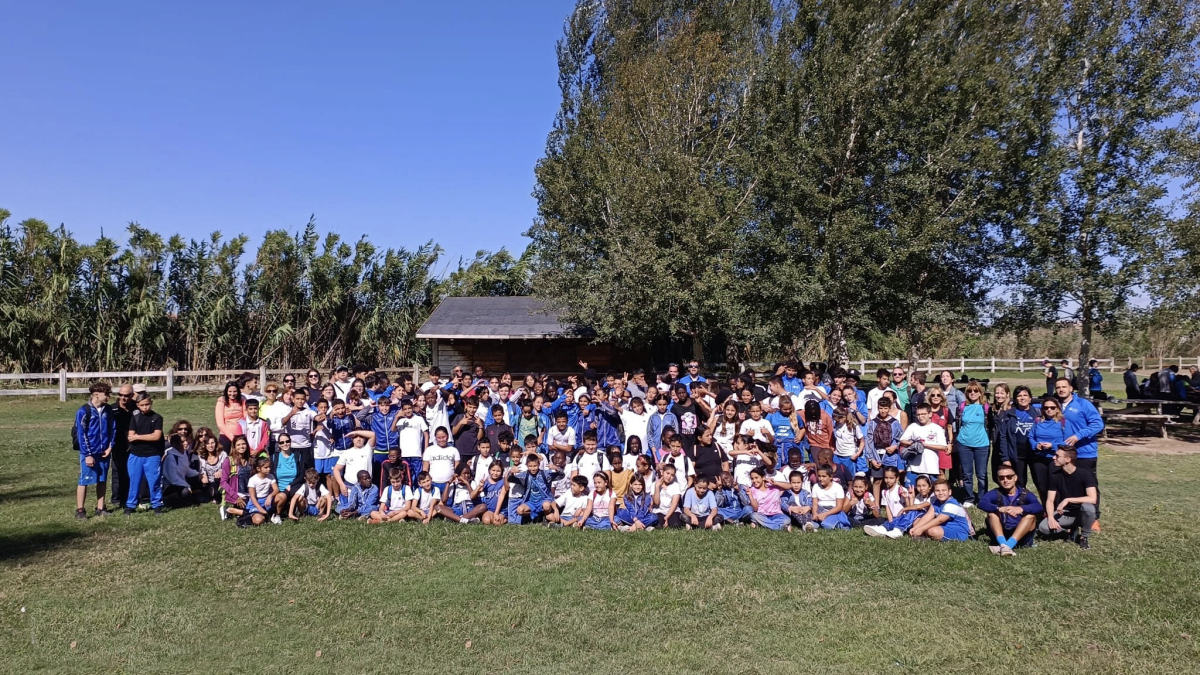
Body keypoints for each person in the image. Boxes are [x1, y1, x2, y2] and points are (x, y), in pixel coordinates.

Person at [1056, 376, 1105, 529]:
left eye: (1064, 386)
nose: (1061, 390)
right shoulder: (1055, 405)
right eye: (1058, 387)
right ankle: (1067, 513)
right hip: (1064, 455)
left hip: (1084, 452)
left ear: (1071, 388)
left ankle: (1093, 517)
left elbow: (1098, 424)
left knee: (1088, 484)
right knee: (1064, 484)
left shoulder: (1083, 404)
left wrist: (1079, 435)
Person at [1037, 447, 1098, 550]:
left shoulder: (1085, 474)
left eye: (1057, 456)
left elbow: (1092, 499)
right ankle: (1070, 530)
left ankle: (1084, 537)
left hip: (1081, 512)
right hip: (1065, 513)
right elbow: (1050, 500)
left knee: (1088, 508)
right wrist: (1051, 517)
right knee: (1043, 528)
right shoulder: (1055, 476)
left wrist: (1068, 499)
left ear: (1068, 459)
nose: (1053, 458)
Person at [978, 463, 1043, 556]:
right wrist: (999, 508)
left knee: (1030, 516)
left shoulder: (1024, 493)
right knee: (992, 514)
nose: (1005, 480)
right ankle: (1004, 544)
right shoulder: (995, 493)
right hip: (1002, 533)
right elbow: (982, 503)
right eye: (1001, 478)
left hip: (1022, 535)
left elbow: (1039, 507)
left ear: (1015, 478)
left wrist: (1021, 508)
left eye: (1009, 477)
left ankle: (1007, 546)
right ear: (998, 479)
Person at [75, 382, 115, 519]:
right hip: (90, 452)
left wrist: (110, 446)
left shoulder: (108, 410)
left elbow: (112, 429)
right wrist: (88, 454)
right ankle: (80, 510)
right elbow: (82, 434)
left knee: (102, 479)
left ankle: (100, 507)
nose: (109, 397)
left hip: (104, 451)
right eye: (106, 394)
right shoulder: (84, 411)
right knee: (84, 480)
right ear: (96, 395)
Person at [125, 392, 166, 515]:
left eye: (147, 404)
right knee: (134, 480)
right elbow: (130, 436)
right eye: (142, 405)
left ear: (151, 403)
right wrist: (140, 437)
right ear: (137, 405)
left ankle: (157, 504)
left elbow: (156, 436)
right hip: (135, 455)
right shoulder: (135, 418)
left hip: (152, 455)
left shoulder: (157, 418)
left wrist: (138, 437)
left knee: (154, 481)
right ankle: (130, 505)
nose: (145, 407)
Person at [956, 382, 991, 508]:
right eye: (970, 391)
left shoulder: (985, 407)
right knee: (967, 473)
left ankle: (982, 497)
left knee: (981, 474)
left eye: (976, 391)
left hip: (981, 444)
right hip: (964, 444)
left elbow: (991, 424)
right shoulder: (962, 406)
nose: (973, 393)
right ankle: (969, 497)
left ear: (980, 392)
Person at [996, 386, 1037, 490]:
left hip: (1035, 453)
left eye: (1025, 395)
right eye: (1019, 396)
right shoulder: (1009, 414)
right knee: (1020, 482)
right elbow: (1003, 436)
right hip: (1017, 453)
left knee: (1040, 481)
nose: (1022, 398)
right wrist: (1005, 458)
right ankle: (1020, 503)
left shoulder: (1037, 413)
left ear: (1030, 398)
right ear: (1015, 399)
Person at [1029, 396, 1067, 504]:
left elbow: (1068, 441)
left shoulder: (1063, 422)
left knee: (1054, 485)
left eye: (1052, 407)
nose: (1049, 410)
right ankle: (1046, 510)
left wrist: (1053, 446)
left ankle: (1058, 510)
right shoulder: (1038, 420)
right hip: (1039, 458)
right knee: (1041, 485)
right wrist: (1036, 445)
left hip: (1055, 458)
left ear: (1057, 408)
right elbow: (1030, 437)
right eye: (1046, 408)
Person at [108, 383, 135, 516]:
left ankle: (129, 496)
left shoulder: (137, 408)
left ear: (132, 395)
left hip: (134, 444)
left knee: (131, 471)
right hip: (117, 444)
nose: (123, 398)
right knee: (117, 470)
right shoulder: (112, 409)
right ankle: (116, 498)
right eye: (120, 395)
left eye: (126, 395)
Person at [162, 426, 201, 508]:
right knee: (185, 492)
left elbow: (187, 470)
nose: (186, 443)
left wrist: (199, 474)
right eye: (183, 442)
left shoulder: (185, 453)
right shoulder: (171, 457)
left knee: (201, 481)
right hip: (170, 486)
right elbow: (173, 479)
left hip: (182, 482)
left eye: (186, 440)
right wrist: (187, 485)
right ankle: (169, 500)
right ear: (176, 444)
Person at [810, 465, 850, 530]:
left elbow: (839, 507)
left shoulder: (838, 487)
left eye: (824, 476)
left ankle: (840, 524)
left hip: (833, 511)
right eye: (819, 476)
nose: (821, 479)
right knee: (813, 524)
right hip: (820, 509)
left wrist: (825, 514)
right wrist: (814, 513)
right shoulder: (816, 486)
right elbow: (815, 503)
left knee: (827, 525)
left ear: (831, 477)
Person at [245, 457, 282, 526]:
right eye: (266, 467)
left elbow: (276, 489)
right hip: (256, 502)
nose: (269, 469)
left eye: (269, 467)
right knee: (258, 520)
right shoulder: (253, 480)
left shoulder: (270, 476)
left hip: (266, 500)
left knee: (282, 496)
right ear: (258, 469)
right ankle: (264, 515)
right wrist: (260, 509)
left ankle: (276, 514)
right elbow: (252, 497)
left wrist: (270, 495)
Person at [422, 427, 460, 493]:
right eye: (438, 438)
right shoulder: (429, 450)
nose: (441, 440)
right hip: (433, 484)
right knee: (434, 503)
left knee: (448, 503)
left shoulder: (454, 450)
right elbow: (425, 470)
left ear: (447, 436)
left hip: (449, 483)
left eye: (443, 437)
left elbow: (457, 469)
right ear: (435, 438)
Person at [214, 381, 246, 452]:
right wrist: (233, 438)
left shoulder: (242, 400)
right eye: (230, 391)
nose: (232, 394)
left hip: (240, 433)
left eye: (235, 391)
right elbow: (220, 424)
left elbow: (245, 417)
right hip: (226, 433)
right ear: (226, 391)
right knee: (225, 458)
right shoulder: (221, 401)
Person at [652, 463, 685, 528]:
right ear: (662, 472)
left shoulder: (676, 485)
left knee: (676, 525)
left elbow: (674, 504)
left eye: (672, 475)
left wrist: (667, 517)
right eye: (667, 473)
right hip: (660, 510)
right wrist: (657, 487)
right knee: (659, 525)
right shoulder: (655, 484)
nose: (669, 476)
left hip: (672, 511)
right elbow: (656, 502)